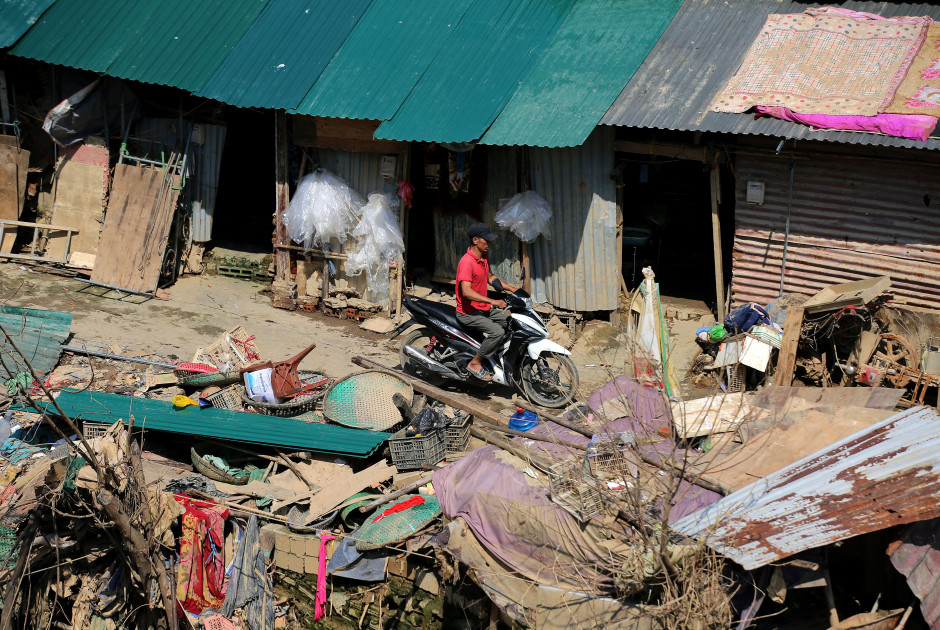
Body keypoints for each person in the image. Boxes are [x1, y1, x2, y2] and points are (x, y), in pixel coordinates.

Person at [455, 223, 518, 381]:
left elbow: (490, 278)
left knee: (513, 322)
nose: (489, 244)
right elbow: (466, 292)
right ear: (475, 240)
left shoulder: (483, 257)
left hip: (482, 308)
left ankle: (496, 357)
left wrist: (512, 289)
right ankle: (475, 363)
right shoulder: (466, 262)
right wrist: (493, 301)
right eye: (486, 240)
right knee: (497, 332)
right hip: (468, 312)